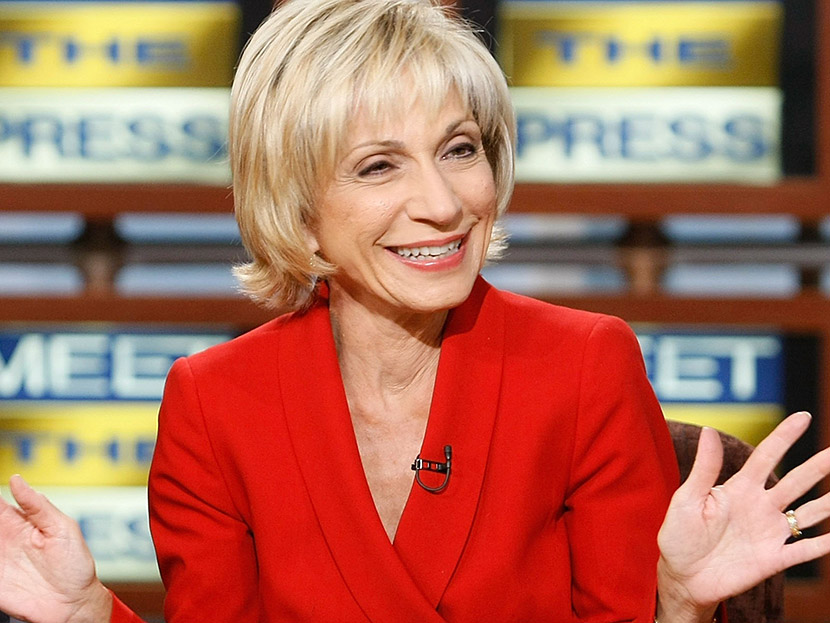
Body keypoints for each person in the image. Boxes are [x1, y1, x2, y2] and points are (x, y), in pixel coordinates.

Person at [0, 1, 829, 622]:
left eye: (459, 149)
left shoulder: (585, 365)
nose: (442, 203)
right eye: (378, 166)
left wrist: (678, 604)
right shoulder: (214, 402)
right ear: (296, 205)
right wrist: (85, 616)